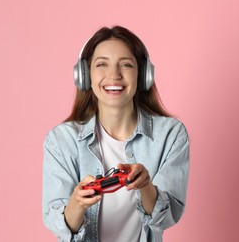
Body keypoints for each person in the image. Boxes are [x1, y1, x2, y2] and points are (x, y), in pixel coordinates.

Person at [42, 25, 190, 242]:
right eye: (101, 64)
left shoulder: (170, 135)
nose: (114, 75)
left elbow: (167, 218)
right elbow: (61, 227)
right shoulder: (61, 141)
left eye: (126, 65)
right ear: (84, 75)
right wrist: (78, 202)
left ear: (143, 75)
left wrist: (146, 186)